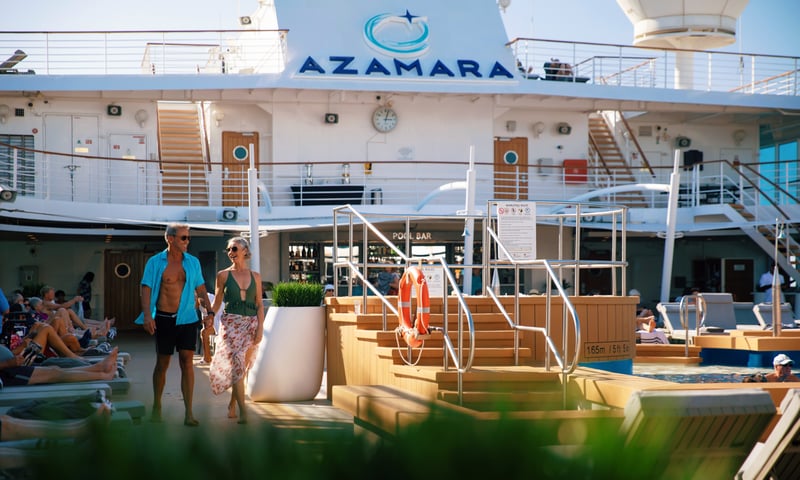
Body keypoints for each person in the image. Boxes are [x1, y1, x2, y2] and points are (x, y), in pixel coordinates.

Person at [136, 222, 213, 426]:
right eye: (183, 238)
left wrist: (209, 311)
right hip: (164, 318)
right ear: (170, 239)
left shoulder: (193, 262)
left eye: (188, 237)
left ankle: (189, 412)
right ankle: (157, 406)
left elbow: (201, 288)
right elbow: (146, 288)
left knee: (187, 361)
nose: (187, 241)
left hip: (187, 318)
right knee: (163, 363)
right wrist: (147, 316)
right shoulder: (155, 262)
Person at [208, 236, 265, 424]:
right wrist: (209, 316)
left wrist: (260, 329)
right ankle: (244, 412)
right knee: (236, 367)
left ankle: (233, 403)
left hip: (251, 325)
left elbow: (259, 304)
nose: (230, 253)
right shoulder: (223, 275)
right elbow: (217, 302)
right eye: (229, 250)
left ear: (244, 251)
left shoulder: (255, 276)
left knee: (243, 369)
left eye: (234, 249)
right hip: (230, 324)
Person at [0, 342, 118, 386]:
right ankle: (102, 375)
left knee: (54, 370)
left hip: (9, 368)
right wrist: (7, 363)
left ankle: (98, 368)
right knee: (54, 374)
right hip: (6, 373)